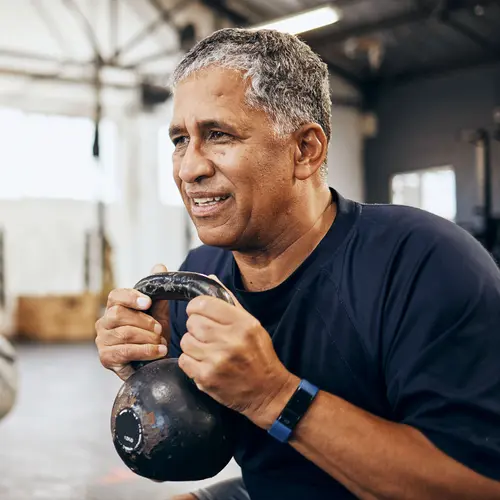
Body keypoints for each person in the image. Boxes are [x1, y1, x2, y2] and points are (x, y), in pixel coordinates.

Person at [95, 28, 500, 500]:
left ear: (306, 150)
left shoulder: (424, 263)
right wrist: (151, 372)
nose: (189, 168)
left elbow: (479, 486)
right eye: (181, 140)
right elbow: (196, 452)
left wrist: (273, 395)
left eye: (219, 135)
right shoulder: (200, 279)